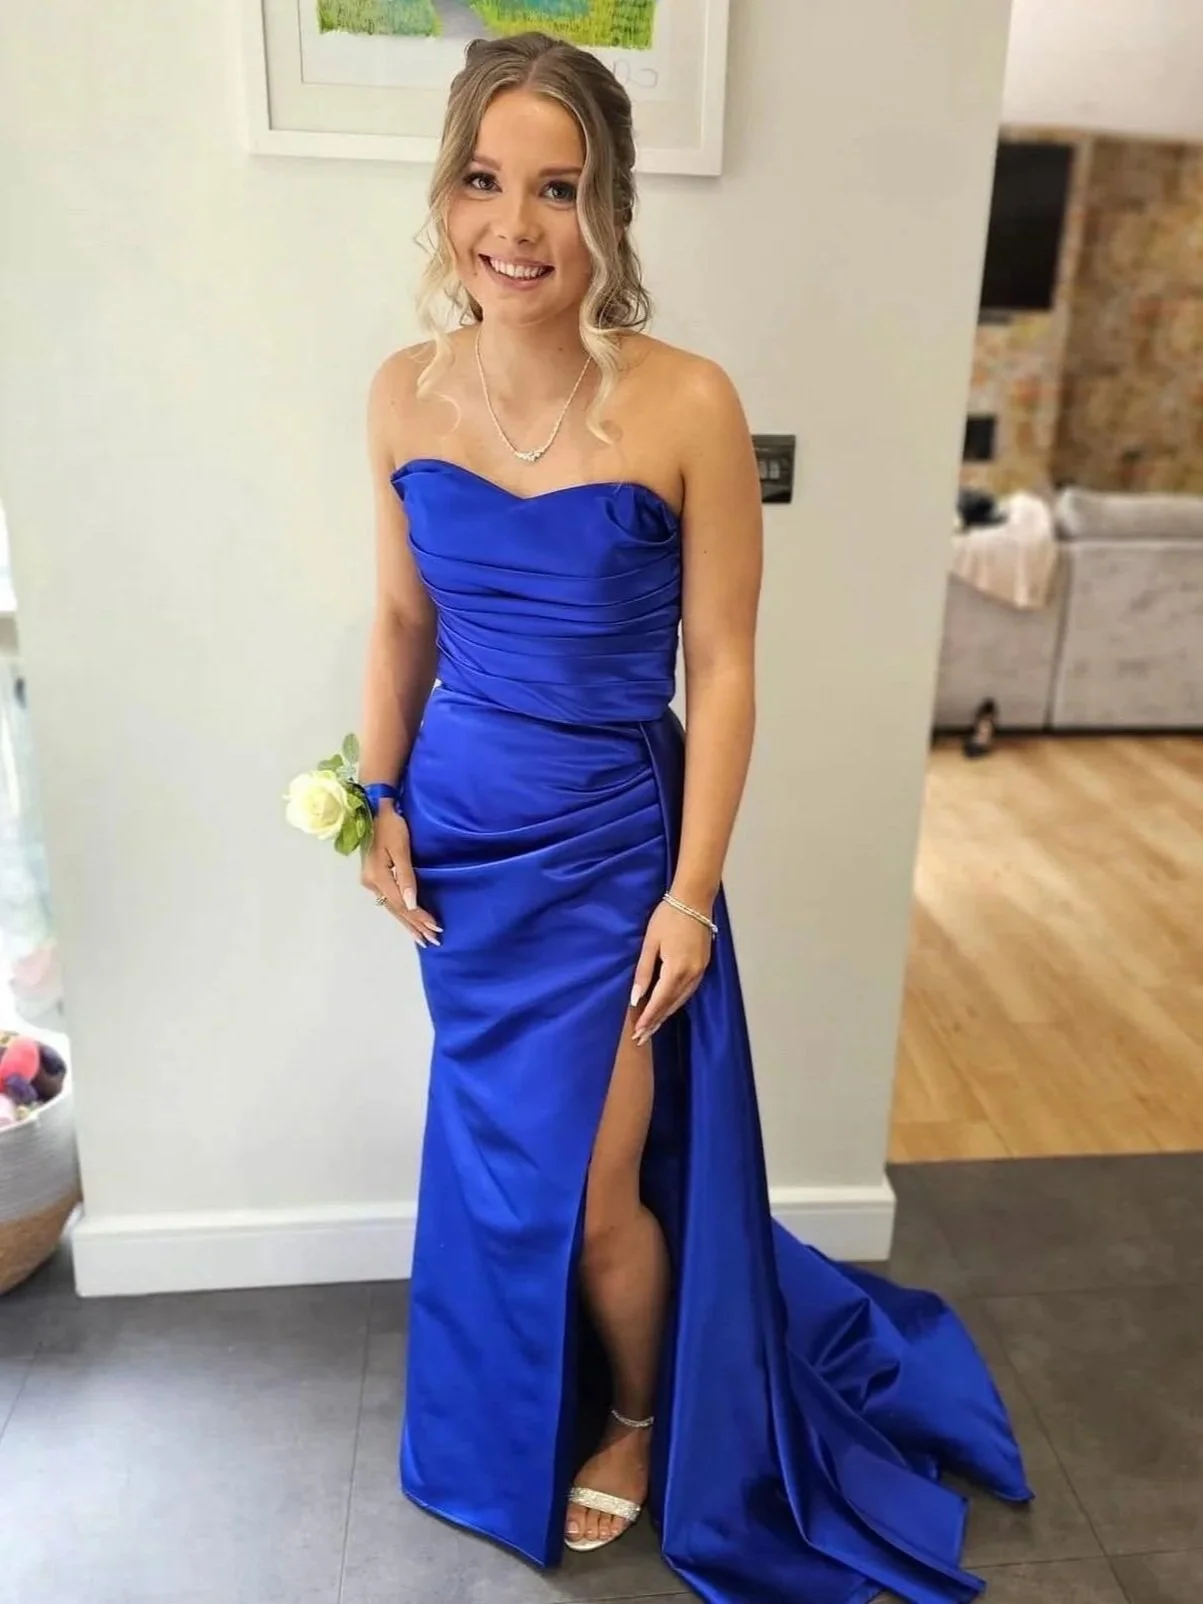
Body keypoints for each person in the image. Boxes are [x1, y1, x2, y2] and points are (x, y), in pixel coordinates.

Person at [357, 31, 1031, 1604]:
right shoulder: (399, 396)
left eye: (557, 189)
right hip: (459, 853)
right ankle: (534, 1399)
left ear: (609, 212)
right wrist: (378, 801)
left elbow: (721, 671)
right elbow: (400, 627)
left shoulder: (683, 403)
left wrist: (690, 893)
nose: (513, 226)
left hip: (609, 850)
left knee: (597, 1185)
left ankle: (647, 1424)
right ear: (446, 193)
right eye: (484, 180)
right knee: (503, 1163)